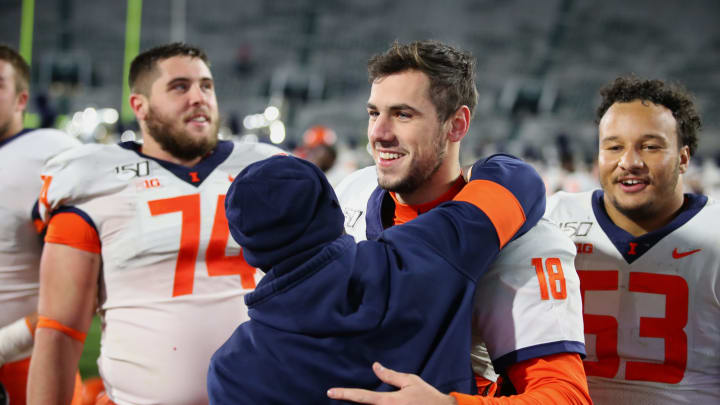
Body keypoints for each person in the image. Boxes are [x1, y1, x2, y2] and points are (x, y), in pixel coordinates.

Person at [328, 40, 590, 403]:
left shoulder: (522, 240)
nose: (378, 133)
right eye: (374, 113)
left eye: (403, 115)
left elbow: (566, 396)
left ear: (456, 125)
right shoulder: (353, 190)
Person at [26, 43, 284, 405]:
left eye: (206, 86)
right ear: (140, 106)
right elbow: (59, 330)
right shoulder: (92, 179)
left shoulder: (270, 169)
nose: (199, 97)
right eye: (180, 86)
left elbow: (321, 293)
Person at [207, 153, 545, 404]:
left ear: (248, 249)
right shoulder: (422, 255)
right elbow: (519, 181)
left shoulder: (234, 370)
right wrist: (471, 172)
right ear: (333, 209)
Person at [545, 76, 719, 403]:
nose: (629, 162)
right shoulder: (554, 219)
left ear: (683, 158)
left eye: (650, 146)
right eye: (614, 147)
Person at [0, 44, 81, 405]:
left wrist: (7, 344)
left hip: (27, 365)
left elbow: (87, 277)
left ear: (21, 99)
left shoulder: (48, 152)